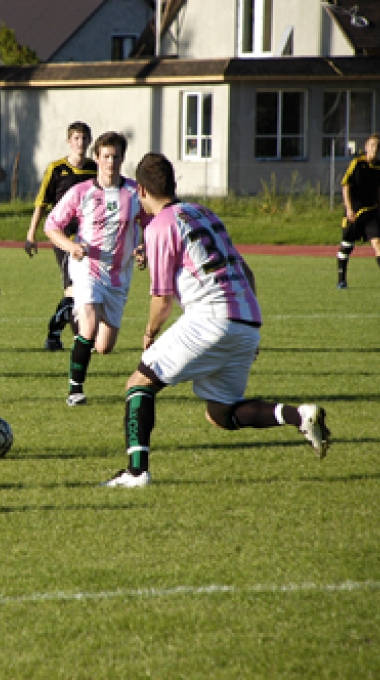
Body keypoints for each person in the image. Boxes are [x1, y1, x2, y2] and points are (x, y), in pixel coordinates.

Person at [105, 153, 331, 488]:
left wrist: (150, 333)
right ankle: (299, 416)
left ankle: (136, 472)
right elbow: (247, 272)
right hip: (246, 321)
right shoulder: (205, 213)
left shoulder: (160, 225)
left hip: (210, 318)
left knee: (139, 385)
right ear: (174, 183)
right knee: (222, 413)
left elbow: (162, 300)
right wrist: (248, 329)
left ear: (140, 190)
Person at [43, 131, 145, 406]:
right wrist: (71, 247)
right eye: (106, 156)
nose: (111, 162)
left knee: (104, 346)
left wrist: (143, 248)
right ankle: (75, 390)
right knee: (88, 325)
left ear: (123, 158)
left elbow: (150, 225)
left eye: (116, 156)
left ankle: (71, 311)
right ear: (97, 159)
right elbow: (51, 226)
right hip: (87, 267)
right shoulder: (82, 192)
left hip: (119, 275)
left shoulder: (135, 192)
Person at [25, 121, 97, 351]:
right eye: (76, 138)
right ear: (68, 141)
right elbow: (42, 203)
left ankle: (80, 337)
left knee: (85, 288)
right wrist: (31, 234)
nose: (80, 143)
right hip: (63, 238)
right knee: (73, 288)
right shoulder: (57, 169)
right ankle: (54, 334)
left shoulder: (95, 169)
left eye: (84, 138)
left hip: (89, 238)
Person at [336, 133, 380, 291]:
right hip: (355, 212)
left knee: (379, 243)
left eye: (378, 146)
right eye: (372, 145)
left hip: (371, 212)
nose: (375, 149)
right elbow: (345, 185)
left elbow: (377, 190)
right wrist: (349, 209)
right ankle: (341, 280)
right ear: (366, 147)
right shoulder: (356, 163)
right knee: (347, 246)